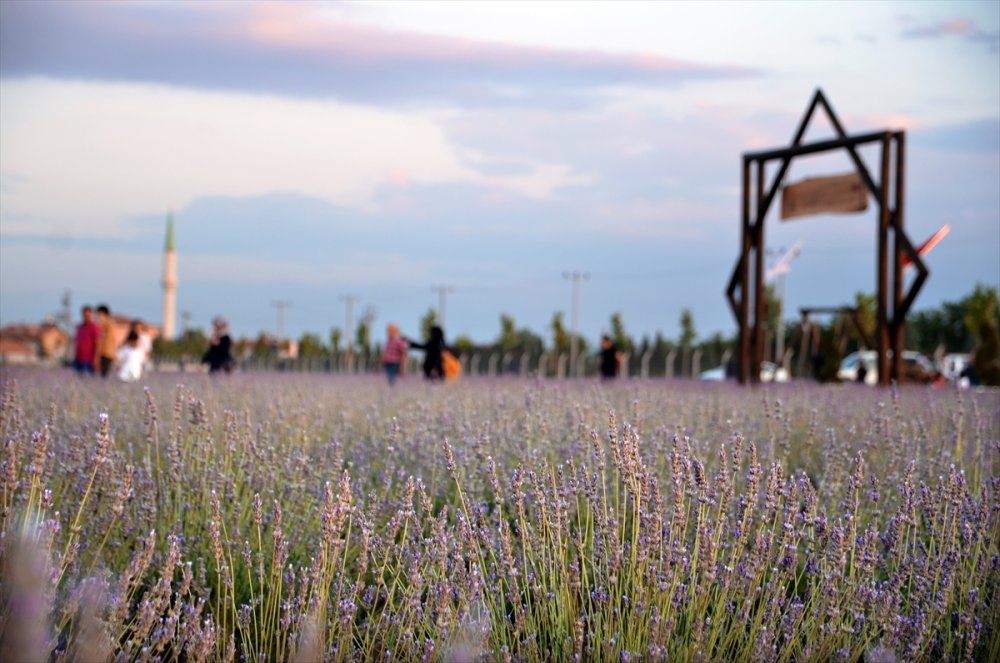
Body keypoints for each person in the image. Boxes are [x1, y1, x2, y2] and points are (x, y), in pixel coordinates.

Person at [73, 305, 100, 375]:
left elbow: (97, 343)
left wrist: (96, 358)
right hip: (78, 358)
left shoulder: (94, 327)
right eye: (85, 315)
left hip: (89, 360)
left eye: (88, 315)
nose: (87, 317)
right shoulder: (79, 327)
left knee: (87, 378)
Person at [95, 304, 117, 378]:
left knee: (103, 374)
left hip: (107, 353)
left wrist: (114, 353)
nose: (98, 317)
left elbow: (112, 340)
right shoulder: (98, 324)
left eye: (99, 314)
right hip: (100, 353)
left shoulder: (110, 324)